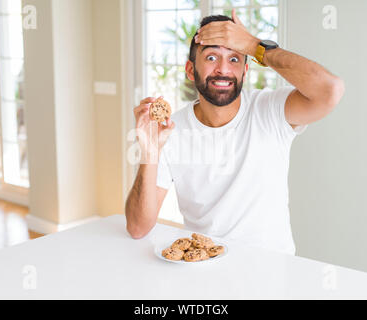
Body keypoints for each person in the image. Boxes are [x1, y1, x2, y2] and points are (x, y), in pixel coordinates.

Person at [125, 10, 345, 255]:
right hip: (205, 271)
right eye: (211, 57)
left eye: (234, 59)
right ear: (190, 70)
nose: (223, 69)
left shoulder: (271, 111)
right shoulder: (171, 131)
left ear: (245, 71)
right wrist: (150, 153)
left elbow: (331, 89)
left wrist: (254, 46)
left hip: (270, 273)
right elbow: (137, 228)